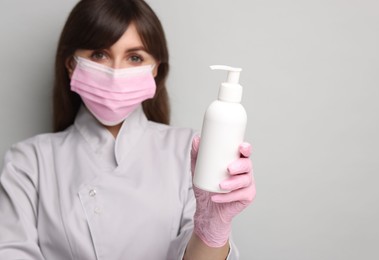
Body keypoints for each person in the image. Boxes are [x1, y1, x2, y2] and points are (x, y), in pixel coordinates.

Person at [0, 0, 256, 259]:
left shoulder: (189, 151)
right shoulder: (28, 162)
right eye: (99, 54)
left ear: (155, 68)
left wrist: (211, 229)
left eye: (134, 57)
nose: (115, 72)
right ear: (71, 64)